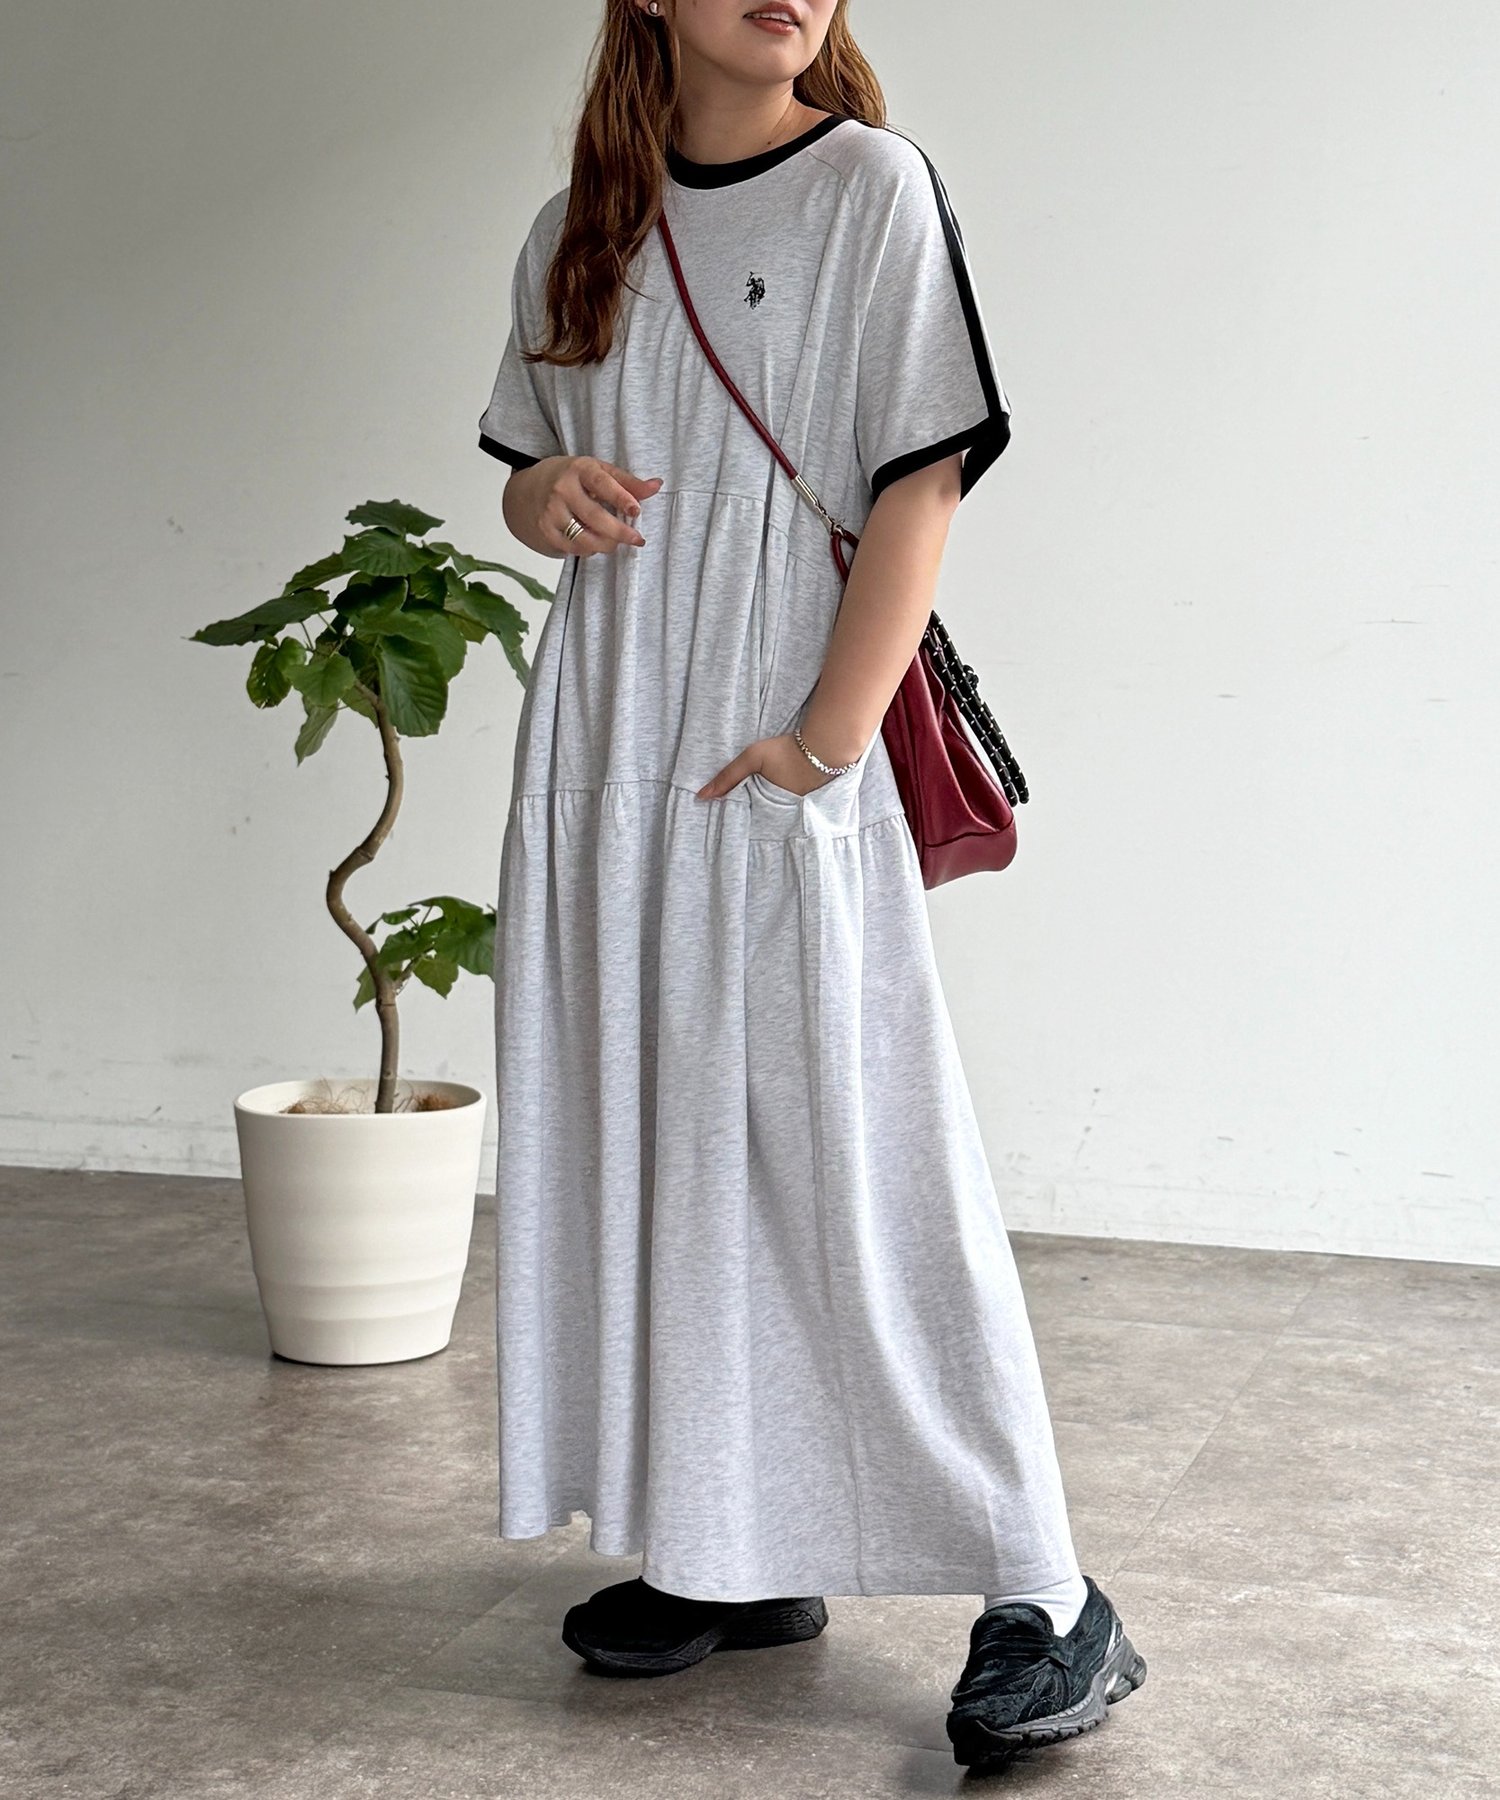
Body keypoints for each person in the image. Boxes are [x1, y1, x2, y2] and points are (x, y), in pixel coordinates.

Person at [476, 0, 1146, 1769]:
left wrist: (825, 744)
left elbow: (920, 479)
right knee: (668, 1137)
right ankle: (730, 1543)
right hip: (610, 743)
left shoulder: (869, 189)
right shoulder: (576, 228)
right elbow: (530, 470)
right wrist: (547, 495)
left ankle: (1048, 1588)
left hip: (777, 744)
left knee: (863, 1151)